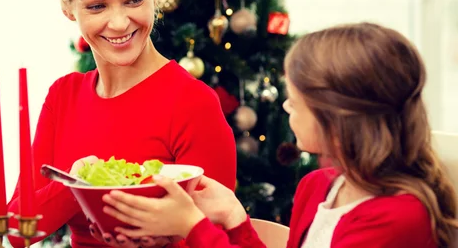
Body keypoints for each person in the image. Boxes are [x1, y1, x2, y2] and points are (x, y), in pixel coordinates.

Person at [101, 22, 458, 248]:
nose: (287, 107)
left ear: (338, 118)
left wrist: (192, 227)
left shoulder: (397, 219)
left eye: (297, 100)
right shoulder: (318, 187)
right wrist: (234, 219)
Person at [6, 0, 237, 248]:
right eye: (97, 6)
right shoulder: (64, 97)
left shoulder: (193, 103)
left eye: (134, 0)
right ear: (68, 8)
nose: (118, 23)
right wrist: (79, 184)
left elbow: (220, 238)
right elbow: (16, 229)